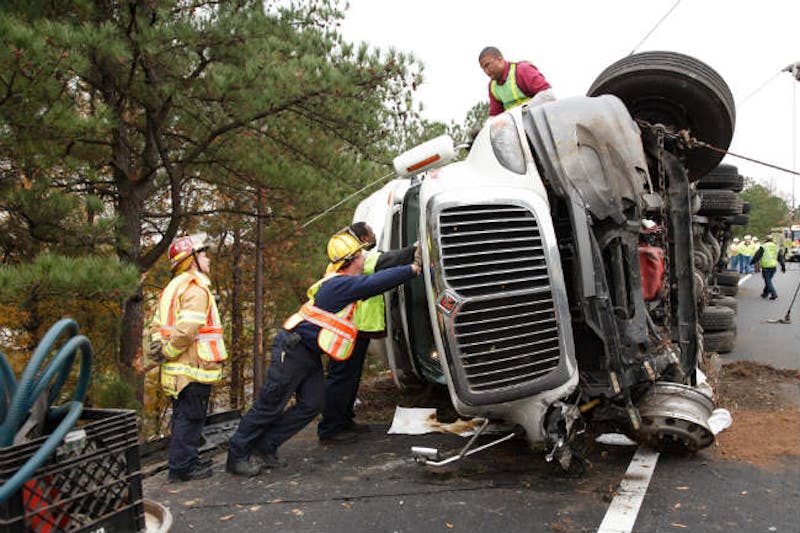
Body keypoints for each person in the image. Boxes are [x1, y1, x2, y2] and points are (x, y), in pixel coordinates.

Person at [226, 228, 422, 477]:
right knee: (270, 404)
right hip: (292, 350)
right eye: (361, 255)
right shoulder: (339, 285)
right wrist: (413, 268)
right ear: (351, 261)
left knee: (312, 404)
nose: (365, 259)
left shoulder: (341, 281)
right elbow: (373, 283)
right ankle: (237, 454)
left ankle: (266, 447)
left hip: (307, 352)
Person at [317, 222, 417, 444]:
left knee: (349, 377)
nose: (371, 240)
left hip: (355, 330)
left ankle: (343, 421)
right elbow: (384, 262)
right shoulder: (357, 261)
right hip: (347, 330)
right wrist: (414, 252)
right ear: (359, 240)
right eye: (368, 236)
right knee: (340, 378)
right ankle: (331, 428)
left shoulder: (349, 261)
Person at [148, 234, 228, 483]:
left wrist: (163, 353)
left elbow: (155, 327)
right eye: (203, 255)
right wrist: (169, 352)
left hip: (178, 370)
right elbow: (188, 329)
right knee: (190, 417)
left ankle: (187, 460)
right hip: (191, 367)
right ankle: (182, 468)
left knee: (184, 415)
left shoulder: (172, 288)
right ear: (192, 260)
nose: (208, 259)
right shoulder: (195, 287)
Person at [478, 46, 555, 117]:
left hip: (543, 123)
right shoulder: (492, 87)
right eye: (483, 69)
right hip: (519, 128)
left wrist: (520, 113)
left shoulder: (522, 70)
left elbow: (548, 95)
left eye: (487, 65)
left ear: (500, 59)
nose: (486, 71)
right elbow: (495, 117)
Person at [751, 234, 786, 300]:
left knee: (767, 280)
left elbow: (757, 256)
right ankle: (765, 293)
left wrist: (752, 262)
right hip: (773, 266)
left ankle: (773, 294)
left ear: (765, 240)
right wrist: (783, 266)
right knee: (768, 280)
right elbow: (780, 257)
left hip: (766, 266)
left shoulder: (763, 246)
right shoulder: (776, 246)